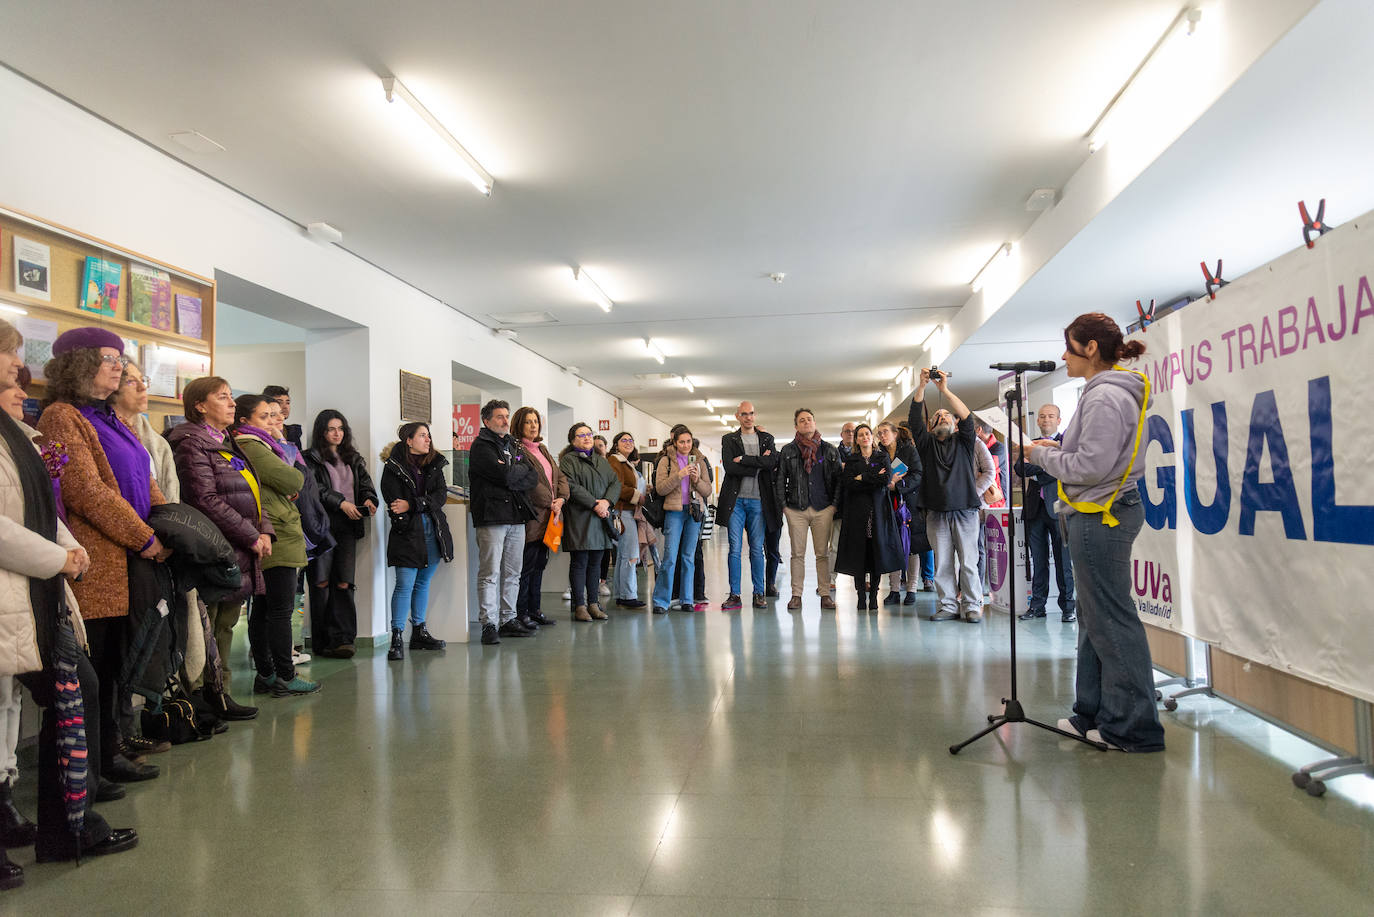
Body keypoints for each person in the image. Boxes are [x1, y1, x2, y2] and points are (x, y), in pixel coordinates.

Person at [0, 366, 138, 870]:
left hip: (37, 595)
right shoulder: (51, 422)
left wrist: (69, 548)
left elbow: (41, 509)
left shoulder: (20, 437)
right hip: (20, 589)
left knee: (56, 697)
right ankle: (57, 827)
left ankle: (66, 828)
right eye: (11, 382)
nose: (22, 391)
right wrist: (58, 557)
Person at [1014, 312, 1163, 753]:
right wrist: (1056, 448)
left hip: (1103, 516)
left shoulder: (1103, 398)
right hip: (1095, 512)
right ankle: (1094, 712)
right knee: (1094, 620)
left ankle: (1133, 728)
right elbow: (1093, 456)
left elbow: (1090, 468)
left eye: (1069, 346)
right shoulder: (1101, 395)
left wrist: (1039, 457)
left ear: (1090, 348)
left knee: (1112, 620)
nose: (1063, 355)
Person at [38, 328, 170, 781]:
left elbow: (144, 478)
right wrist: (143, 537)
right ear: (78, 363)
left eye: (120, 358)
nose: (118, 365)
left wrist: (167, 524)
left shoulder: (112, 418)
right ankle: (93, 765)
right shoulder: (62, 416)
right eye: (108, 357)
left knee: (115, 664)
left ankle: (109, 753)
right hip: (96, 561)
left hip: (126, 556)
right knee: (95, 668)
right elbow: (86, 491)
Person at [169, 376, 269, 721]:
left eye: (231, 397)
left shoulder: (226, 440)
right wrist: (249, 535)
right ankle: (199, 697)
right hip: (215, 548)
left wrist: (264, 530)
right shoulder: (190, 442)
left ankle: (221, 692)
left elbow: (252, 490)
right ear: (200, 405)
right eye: (223, 397)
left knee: (226, 623)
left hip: (239, 546)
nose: (231, 403)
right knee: (205, 626)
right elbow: (204, 499)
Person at [232, 395, 319, 696]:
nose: (273, 421)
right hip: (276, 531)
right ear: (245, 421)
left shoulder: (259, 444)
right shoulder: (252, 445)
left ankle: (268, 673)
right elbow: (294, 478)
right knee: (279, 609)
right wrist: (285, 451)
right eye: (265, 416)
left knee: (266, 607)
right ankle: (284, 674)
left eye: (274, 414)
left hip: (276, 528)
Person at [909, 368, 983, 623]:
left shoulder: (964, 442)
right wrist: (922, 386)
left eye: (946, 415)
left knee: (969, 561)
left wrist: (944, 390)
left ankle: (973, 605)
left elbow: (966, 416)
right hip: (936, 512)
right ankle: (948, 605)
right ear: (931, 427)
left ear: (954, 424)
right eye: (937, 415)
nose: (942, 416)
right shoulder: (927, 444)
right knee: (942, 564)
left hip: (965, 510)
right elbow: (914, 419)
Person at [305, 410, 378, 657]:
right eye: (331, 429)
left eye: (340, 429)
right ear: (321, 432)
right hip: (322, 527)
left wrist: (369, 500)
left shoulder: (353, 458)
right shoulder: (311, 458)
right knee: (321, 582)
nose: (337, 434)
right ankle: (323, 641)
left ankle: (344, 639)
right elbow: (317, 489)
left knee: (344, 582)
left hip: (348, 526)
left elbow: (366, 485)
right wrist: (340, 503)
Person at [380, 422, 453, 658]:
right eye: (423, 435)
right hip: (407, 533)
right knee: (404, 584)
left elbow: (440, 496)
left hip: (433, 531)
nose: (428, 439)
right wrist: (417, 504)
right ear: (408, 440)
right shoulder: (393, 467)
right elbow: (395, 503)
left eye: (428, 435)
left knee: (423, 583)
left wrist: (413, 504)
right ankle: (397, 637)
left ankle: (419, 632)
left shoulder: (435, 464)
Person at [469, 399, 538, 643]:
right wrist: (514, 471)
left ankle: (509, 618)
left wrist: (514, 472)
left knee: (513, 572)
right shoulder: (480, 447)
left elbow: (533, 475)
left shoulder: (513, 444)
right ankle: (489, 623)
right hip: (491, 517)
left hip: (516, 516)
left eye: (506, 416)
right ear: (486, 421)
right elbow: (505, 476)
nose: (505, 421)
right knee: (490, 572)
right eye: (499, 416)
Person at [1015, 404, 1076, 623]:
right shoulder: (1029, 443)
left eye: (1050, 416)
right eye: (1042, 416)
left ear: (1059, 420)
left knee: (1063, 562)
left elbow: (1063, 468)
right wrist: (1048, 467)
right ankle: (1037, 606)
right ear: (1038, 421)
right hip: (1035, 510)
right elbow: (1020, 469)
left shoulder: (1066, 445)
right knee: (1038, 561)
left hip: (1059, 509)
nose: (1046, 419)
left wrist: (1039, 468)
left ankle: (1068, 607)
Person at [835, 424, 906, 609]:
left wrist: (862, 478)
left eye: (867, 433)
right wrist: (870, 477)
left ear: (871, 437)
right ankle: (860, 596)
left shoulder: (882, 457)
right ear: (857, 440)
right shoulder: (851, 460)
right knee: (859, 554)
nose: (864, 437)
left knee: (876, 553)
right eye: (860, 435)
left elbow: (885, 481)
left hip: (878, 511)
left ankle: (873, 596)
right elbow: (849, 483)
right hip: (857, 513)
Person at [776, 409, 841, 610]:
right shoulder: (788, 451)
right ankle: (796, 595)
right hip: (796, 509)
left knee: (822, 554)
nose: (806, 423)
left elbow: (839, 480)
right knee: (797, 554)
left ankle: (824, 595)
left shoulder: (830, 450)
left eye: (809, 419)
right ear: (796, 426)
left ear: (814, 422)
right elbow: (779, 480)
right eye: (802, 421)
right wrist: (784, 507)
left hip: (824, 508)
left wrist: (834, 506)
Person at [717, 401, 780, 610]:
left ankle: (758, 593)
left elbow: (772, 464)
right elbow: (729, 467)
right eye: (744, 414)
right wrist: (758, 463)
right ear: (737, 416)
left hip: (758, 502)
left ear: (755, 414)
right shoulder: (729, 439)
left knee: (756, 550)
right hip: (736, 502)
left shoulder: (767, 438)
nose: (748, 417)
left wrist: (744, 459)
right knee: (734, 549)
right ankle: (735, 594)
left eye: (751, 413)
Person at [512, 407, 569, 627]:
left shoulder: (542, 449)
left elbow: (559, 476)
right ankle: (521, 612)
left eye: (536, 421)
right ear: (519, 425)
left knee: (540, 565)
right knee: (526, 567)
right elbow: (529, 483)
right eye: (528, 422)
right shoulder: (517, 450)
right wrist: (549, 502)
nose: (533, 425)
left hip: (552, 517)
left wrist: (561, 499)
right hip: (533, 516)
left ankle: (535, 609)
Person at [558, 423, 620, 622]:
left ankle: (593, 603)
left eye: (589, 434)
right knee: (580, 562)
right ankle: (580, 606)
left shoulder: (601, 461)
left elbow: (615, 483)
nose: (586, 438)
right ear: (573, 440)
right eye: (581, 435)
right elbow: (572, 487)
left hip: (600, 518)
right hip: (580, 518)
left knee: (596, 563)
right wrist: (595, 504)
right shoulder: (568, 460)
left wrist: (607, 502)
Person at [651, 424, 712, 614]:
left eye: (688, 441)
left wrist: (696, 480)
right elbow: (660, 488)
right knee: (670, 557)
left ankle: (687, 599)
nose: (686, 445)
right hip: (674, 512)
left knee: (689, 557)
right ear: (675, 443)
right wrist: (679, 475)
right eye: (682, 442)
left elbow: (707, 490)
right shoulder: (665, 461)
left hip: (694, 512)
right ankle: (661, 600)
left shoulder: (700, 460)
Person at [876, 421, 925, 605]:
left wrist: (898, 485)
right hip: (887, 504)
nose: (882, 436)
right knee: (893, 545)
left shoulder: (909, 451)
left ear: (895, 433)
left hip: (909, 504)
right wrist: (886, 483)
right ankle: (894, 590)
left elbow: (918, 473)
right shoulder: (878, 454)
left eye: (886, 432)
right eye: (879, 433)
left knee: (912, 547)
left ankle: (911, 589)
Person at [605, 430, 646, 608]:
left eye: (631, 440)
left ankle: (622, 595)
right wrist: (638, 495)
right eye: (624, 440)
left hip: (627, 511)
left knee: (623, 555)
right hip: (623, 512)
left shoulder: (627, 463)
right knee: (630, 555)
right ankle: (628, 596)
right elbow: (618, 487)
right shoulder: (615, 460)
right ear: (616, 444)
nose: (628, 442)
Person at [262, 384, 302, 450]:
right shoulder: (263, 431)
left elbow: (297, 459)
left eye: (287, 403)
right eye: (279, 402)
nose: (285, 407)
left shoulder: (293, 432)